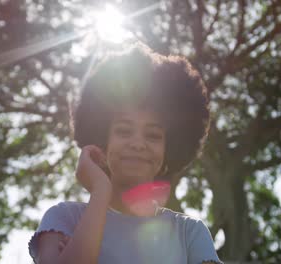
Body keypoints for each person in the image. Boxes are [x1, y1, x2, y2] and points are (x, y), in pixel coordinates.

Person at [28, 43, 223, 264]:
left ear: (169, 150)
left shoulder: (190, 233)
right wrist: (100, 190)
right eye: (124, 131)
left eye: (153, 135)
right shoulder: (64, 218)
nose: (138, 143)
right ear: (103, 142)